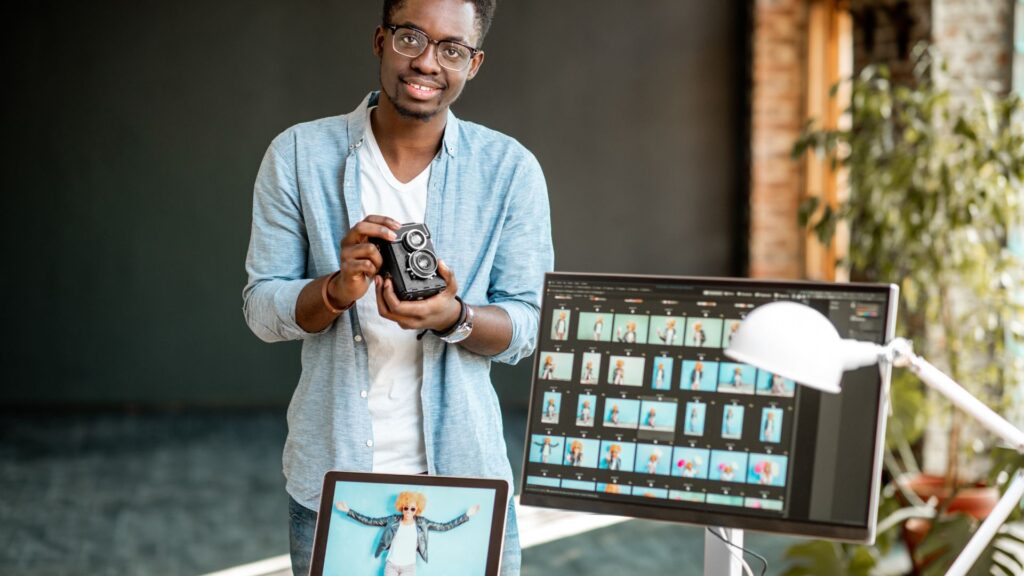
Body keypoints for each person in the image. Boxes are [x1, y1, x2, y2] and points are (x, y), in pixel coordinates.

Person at [241, 1, 553, 574]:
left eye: (451, 49)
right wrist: (335, 290)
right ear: (381, 40)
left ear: (474, 63)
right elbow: (263, 309)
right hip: (334, 482)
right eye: (411, 38)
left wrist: (453, 316)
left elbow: (530, 325)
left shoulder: (509, 170)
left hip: (467, 483)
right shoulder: (299, 155)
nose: (428, 62)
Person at [335, 492, 478, 575]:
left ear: (418, 510)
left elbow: (444, 526)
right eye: (406, 508)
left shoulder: (422, 523)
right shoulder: (392, 520)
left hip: (409, 567)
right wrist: (349, 511)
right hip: (391, 565)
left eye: (412, 509)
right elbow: (370, 521)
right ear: (401, 508)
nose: (408, 512)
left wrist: (466, 516)